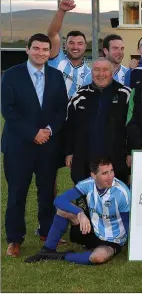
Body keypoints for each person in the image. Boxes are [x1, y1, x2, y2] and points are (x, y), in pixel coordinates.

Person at [2, 33, 68, 257]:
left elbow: (62, 109)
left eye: (45, 50)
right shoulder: (11, 75)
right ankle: (14, 239)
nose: (41, 53)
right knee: (17, 192)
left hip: (48, 145)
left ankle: (47, 234)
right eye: (37, 48)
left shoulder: (57, 76)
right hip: (19, 145)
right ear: (28, 50)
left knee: (47, 192)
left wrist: (48, 131)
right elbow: (8, 111)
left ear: (50, 53)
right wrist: (32, 134)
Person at [24, 157, 131, 265]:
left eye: (111, 171)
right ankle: (47, 250)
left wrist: (133, 248)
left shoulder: (121, 192)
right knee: (62, 210)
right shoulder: (88, 184)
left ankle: (60, 256)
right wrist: (79, 213)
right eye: (104, 173)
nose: (110, 177)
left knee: (98, 257)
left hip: (112, 240)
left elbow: (127, 222)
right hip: (92, 230)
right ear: (93, 175)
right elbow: (59, 200)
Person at [64, 58, 131, 185]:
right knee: (85, 196)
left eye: (105, 70)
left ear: (111, 73)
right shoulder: (79, 95)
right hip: (85, 157)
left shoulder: (125, 94)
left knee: (114, 196)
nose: (101, 74)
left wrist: (130, 153)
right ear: (91, 72)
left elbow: (132, 126)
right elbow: (69, 126)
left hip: (116, 157)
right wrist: (69, 152)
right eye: (97, 70)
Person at [47, 0, 92, 98]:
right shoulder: (57, 59)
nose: (75, 47)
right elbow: (52, 33)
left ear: (85, 46)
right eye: (71, 43)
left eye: (80, 43)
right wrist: (61, 11)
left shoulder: (90, 73)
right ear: (65, 45)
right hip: (53, 113)